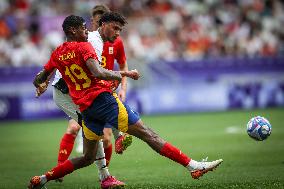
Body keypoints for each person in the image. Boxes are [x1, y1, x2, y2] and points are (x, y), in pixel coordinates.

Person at [29, 14, 223, 189]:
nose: (86, 30)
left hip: (86, 110)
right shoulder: (84, 46)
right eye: (83, 27)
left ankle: (43, 178)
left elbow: (39, 77)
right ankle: (193, 166)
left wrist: (41, 83)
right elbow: (97, 71)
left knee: (88, 157)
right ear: (73, 30)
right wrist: (124, 74)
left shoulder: (57, 53)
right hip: (103, 101)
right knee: (149, 135)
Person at [52, 5, 131, 187]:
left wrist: (120, 85)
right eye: (96, 20)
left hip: (87, 89)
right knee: (87, 129)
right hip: (71, 92)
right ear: (99, 23)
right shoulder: (91, 41)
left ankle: (105, 173)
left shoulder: (110, 42)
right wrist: (115, 78)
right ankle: (103, 175)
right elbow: (93, 72)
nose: (94, 25)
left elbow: (119, 65)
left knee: (99, 133)